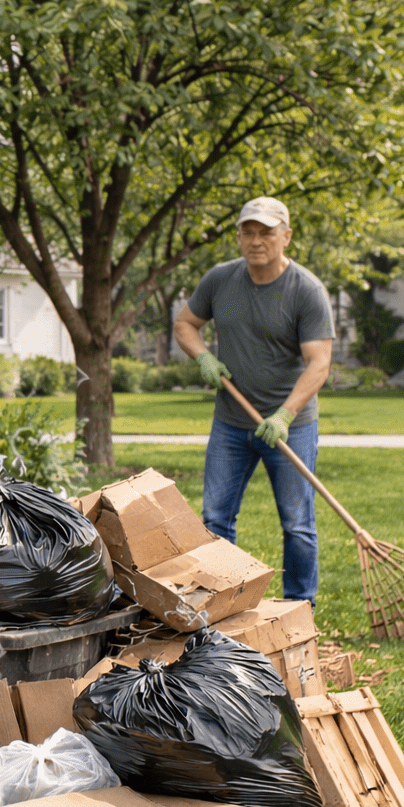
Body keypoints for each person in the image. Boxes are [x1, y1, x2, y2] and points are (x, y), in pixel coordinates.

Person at [173, 196, 334, 606]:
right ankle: (220, 603)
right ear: (239, 237)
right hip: (231, 422)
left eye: (266, 232)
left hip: (290, 427)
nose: (256, 240)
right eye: (248, 232)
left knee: (297, 525)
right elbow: (185, 323)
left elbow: (319, 364)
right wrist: (203, 356)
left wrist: (284, 415)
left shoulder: (306, 290)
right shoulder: (220, 280)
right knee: (215, 519)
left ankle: (300, 608)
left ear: (286, 236)